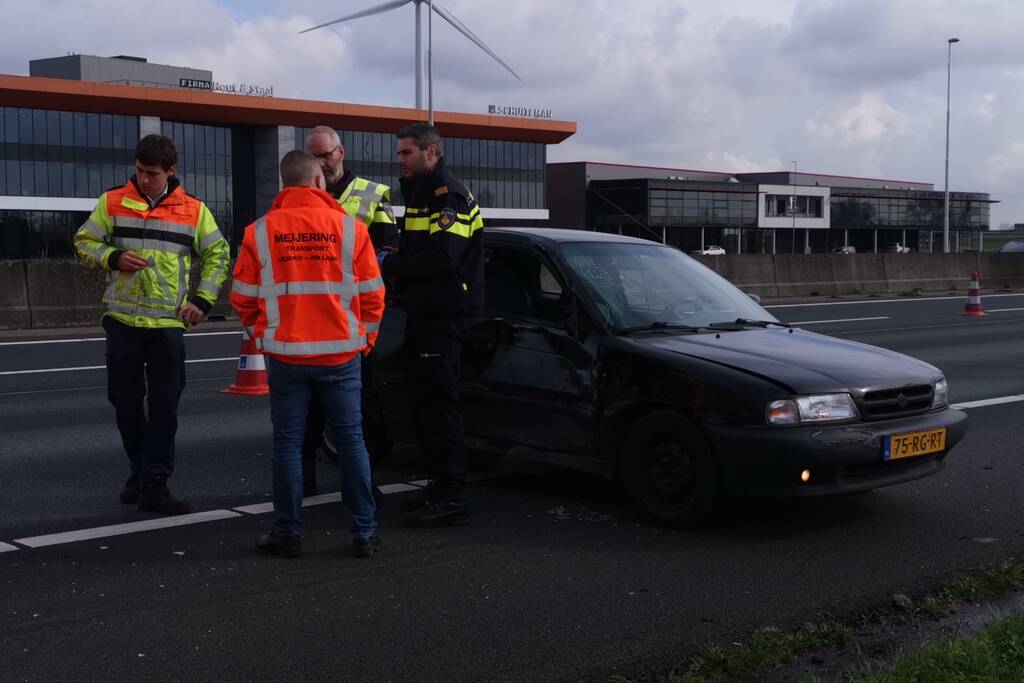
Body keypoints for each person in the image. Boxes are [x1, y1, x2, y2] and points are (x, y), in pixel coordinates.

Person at [230, 150, 385, 559]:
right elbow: (373, 297)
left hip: (287, 358)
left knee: (288, 445)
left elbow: (243, 297)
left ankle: (288, 531)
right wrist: (364, 341)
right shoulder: (351, 230)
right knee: (351, 443)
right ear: (319, 181)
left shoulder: (259, 232)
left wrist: (263, 336)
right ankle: (364, 532)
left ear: (285, 184)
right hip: (341, 357)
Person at [74, 134, 230, 515]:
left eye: (153, 174)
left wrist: (202, 300)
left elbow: (218, 253)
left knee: (164, 405)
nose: (144, 179)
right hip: (123, 319)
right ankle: (141, 472)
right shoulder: (111, 201)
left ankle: (154, 482)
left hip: (168, 322)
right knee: (125, 403)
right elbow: (83, 241)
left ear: (171, 172)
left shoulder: (194, 210)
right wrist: (113, 257)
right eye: (140, 171)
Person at [379, 123, 484, 528]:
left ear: (431, 151)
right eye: (400, 153)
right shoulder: (422, 190)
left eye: (406, 153)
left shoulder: (447, 195)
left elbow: (443, 259)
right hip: (425, 313)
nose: (399, 159)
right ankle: (439, 487)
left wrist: (390, 264)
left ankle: (452, 495)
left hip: (445, 314)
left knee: (441, 406)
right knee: (424, 404)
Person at [301, 125, 399, 497]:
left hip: (353, 317)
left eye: (326, 154)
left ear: (341, 152)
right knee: (305, 412)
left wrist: (346, 267)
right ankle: (304, 485)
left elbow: (389, 248)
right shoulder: (297, 198)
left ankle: (362, 486)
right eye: (314, 156)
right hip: (309, 317)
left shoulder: (373, 195)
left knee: (360, 408)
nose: (321, 162)